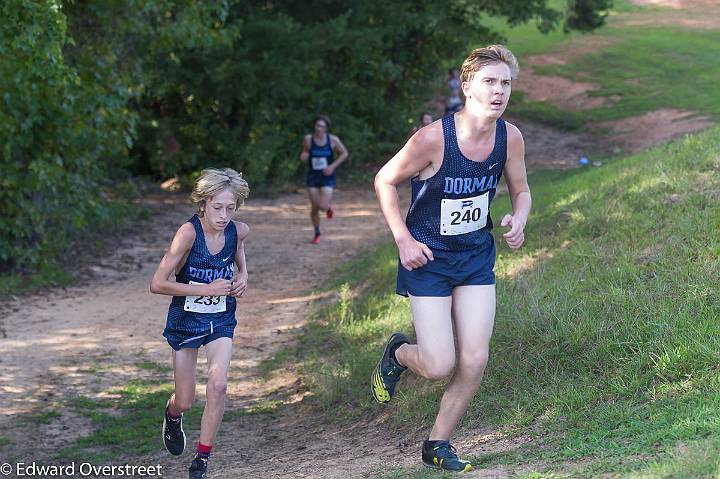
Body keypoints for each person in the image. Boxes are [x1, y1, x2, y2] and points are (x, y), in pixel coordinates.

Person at [372, 45, 531, 472]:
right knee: (439, 364)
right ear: (467, 87)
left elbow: (521, 189)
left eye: (506, 83)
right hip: (428, 261)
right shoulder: (433, 138)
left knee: (475, 358)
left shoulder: (509, 137)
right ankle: (399, 353)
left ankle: (438, 442)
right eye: (490, 82)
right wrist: (402, 239)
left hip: (475, 258)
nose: (499, 92)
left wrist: (519, 216)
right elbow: (384, 180)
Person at [150, 168, 250, 479]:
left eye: (230, 208)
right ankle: (172, 413)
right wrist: (204, 289)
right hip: (186, 322)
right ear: (203, 203)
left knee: (219, 386)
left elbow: (239, 257)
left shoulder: (238, 231)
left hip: (220, 319)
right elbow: (157, 283)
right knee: (186, 399)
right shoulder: (188, 233)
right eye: (217, 207)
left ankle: (201, 461)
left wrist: (243, 276)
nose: (223, 215)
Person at [300, 115, 349, 244]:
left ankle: (328, 208)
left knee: (322, 206)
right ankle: (317, 233)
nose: (319, 128)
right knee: (314, 207)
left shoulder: (332, 140)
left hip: (327, 176)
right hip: (313, 176)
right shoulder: (308, 139)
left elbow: (344, 153)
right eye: (317, 125)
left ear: (326, 128)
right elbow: (305, 152)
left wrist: (332, 166)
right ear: (314, 126)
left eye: (322, 126)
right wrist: (304, 156)